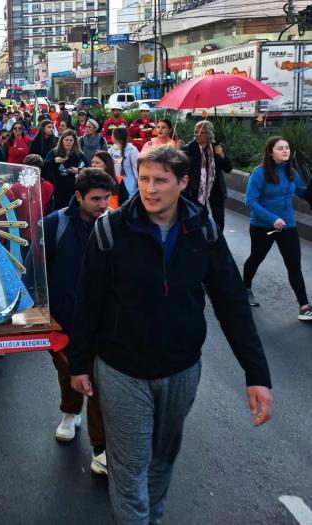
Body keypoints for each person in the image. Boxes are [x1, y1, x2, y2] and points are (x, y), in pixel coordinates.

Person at [69, 145, 273, 525]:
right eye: (144, 179)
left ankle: (153, 516)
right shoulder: (111, 230)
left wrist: (256, 374)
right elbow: (88, 301)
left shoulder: (204, 230)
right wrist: (79, 362)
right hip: (122, 371)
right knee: (129, 466)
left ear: (182, 183)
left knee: (162, 459)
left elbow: (231, 303)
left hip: (181, 370)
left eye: (160, 180)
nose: (149, 189)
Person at [42, 169, 113, 474]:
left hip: (104, 322)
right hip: (63, 321)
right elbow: (36, 268)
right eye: (96, 198)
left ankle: (101, 447)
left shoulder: (114, 225)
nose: (102, 204)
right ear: (79, 196)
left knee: (98, 382)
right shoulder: (55, 224)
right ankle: (70, 413)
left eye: (106, 198)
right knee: (70, 373)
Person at [243, 136, 311, 320]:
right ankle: (245, 288)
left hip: (287, 226)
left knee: (294, 264)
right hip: (263, 226)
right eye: (280, 148)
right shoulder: (259, 174)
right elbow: (249, 201)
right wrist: (272, 219)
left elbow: (303, 192)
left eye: (287, 147)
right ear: (271, 152)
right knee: (256, 257)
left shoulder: (291, 172)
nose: (285, 151)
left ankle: (304, 306)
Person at [182, 120, 234, 232]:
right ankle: (200, 242)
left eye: (201, 132)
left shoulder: (218, 147)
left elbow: (228, 168)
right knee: (199, 217)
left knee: (219, 219)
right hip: (196, 189)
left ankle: (218, 242)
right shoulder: (189, 148)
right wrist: (178, 151)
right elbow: (182, 168)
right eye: (195, 132)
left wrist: (222, 155)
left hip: (215, 188)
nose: (197, 135)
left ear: (209, 134)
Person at [43, 129, 87, 209]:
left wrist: (78, 171)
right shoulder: (54, 152)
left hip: (73, 189)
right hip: (56, 189)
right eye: (66, 140)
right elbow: (44, 167)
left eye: (71, 140)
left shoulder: (79, 155)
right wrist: (54, 161)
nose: (68, 142)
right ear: (62, 140)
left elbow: (88, 170)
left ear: (74, 142)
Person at [109, 127, 139, 199]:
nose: (111, 137)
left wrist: (139, 184)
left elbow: (137, 169)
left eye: (112, 135)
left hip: (130, 187)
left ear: (115, 137)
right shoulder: (111, 149)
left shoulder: (132, 149)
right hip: (115, 186)